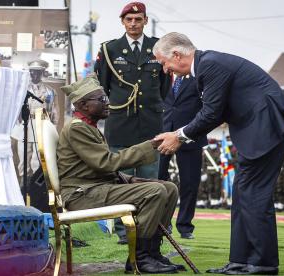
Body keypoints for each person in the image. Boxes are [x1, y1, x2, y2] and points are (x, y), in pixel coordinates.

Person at [152, 32, 284, 275]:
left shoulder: (209, 65)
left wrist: (178, 136)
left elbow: (211, 113)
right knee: (243, 191)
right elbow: (216, 113)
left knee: (253, 192)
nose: (166, 70)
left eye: (164, 63)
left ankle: (262, 263)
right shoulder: (205, 67)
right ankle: (241, 261)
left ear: (176, 55)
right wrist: (180, 135)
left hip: (265, 125)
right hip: (257, 127)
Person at [58, 74, 182, 274]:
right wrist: (149, 146)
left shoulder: (88, 127)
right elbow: (106, 163)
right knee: (154, 191)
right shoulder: (76, 129)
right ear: (83, 104)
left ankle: (152, 252)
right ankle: (138, 259)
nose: (108, 103)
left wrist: (132, 179)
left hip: (96, 189)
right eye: (101, 100)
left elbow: (99, 167)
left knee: (169, 188)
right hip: (83, 195)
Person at [94, 1, 171, 244]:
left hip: (150, 125)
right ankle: (123, 231)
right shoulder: (110, 50)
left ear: (145, 21)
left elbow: (165, 88)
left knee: (150, 180)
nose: (134, 24)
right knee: (122, 181)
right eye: (129, 20)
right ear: (123, 22)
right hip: (121, 125)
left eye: (139, 20)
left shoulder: (158, 48)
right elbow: (103, 86)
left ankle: (148, 228)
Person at [158, 74, 206, 239]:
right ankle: (164, 222)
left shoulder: (197, 76)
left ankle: (185, 226)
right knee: (159, 179)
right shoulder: (160, 75)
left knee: (190, 182)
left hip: (191, 134)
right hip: (163, 132)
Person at [11, 60, 58, 182]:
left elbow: (54, 112)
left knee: (38, 160)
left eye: (38, 72)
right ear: (29, 73)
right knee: (23, 158)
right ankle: (23, 185)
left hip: (41, 126)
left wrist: (53, 129)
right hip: (25, 126)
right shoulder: (22, 89)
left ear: (42, 73)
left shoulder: (50, 91)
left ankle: (36, 188)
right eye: (32, 72)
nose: (35, 75)